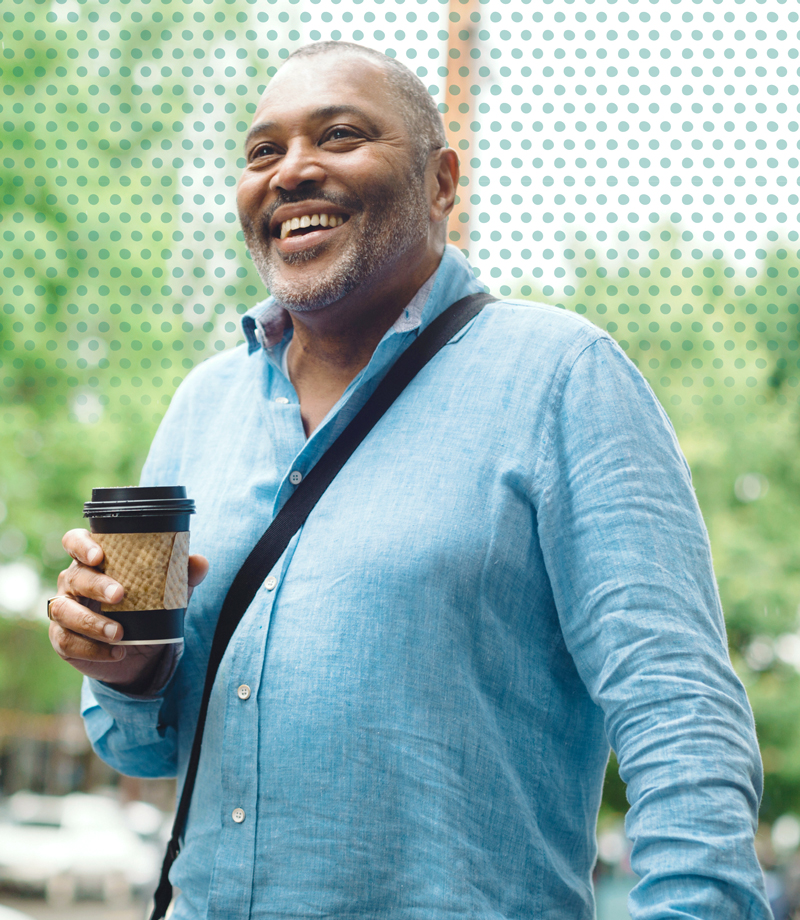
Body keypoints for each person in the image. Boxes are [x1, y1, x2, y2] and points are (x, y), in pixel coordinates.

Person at [49, 41, 771, 920]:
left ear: (440, 181)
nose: (292, 172)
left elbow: (678, 709)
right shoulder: (203, 406)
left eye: (340, 135)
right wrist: (127, 670)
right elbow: (146, 751)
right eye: (262, 151)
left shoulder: (562, 376)